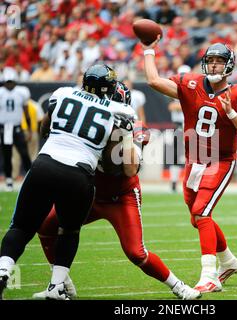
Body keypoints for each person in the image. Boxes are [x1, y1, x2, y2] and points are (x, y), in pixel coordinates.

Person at [32, 81, 201, 300]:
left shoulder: (137, 130)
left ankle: (179, 286)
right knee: (46, 226)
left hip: (121, 197)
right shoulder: (88, 125)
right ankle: (61, 284)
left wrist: (126, 135)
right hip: (89, 194)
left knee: (136, 253)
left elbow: (130, 170)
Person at [0, 64, 135, 300]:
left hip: (45, 165)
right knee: (69, 231)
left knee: (21, 227)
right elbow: (113, 163)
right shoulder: (121, 111)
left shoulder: (62, 93)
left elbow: (44, 128)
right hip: (79, 175)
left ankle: (3, 272)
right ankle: (56, 287)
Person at [142, 39, 237, 293]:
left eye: (219, 61)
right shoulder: (190, 83)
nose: (214, 65)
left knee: (202, 212)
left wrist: (231, 113)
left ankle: (210, 275)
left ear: (229, 65)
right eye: (211, 60)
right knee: (197, 217)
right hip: (193, 158)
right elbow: (153, 81)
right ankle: (229, 261)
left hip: (220, 160)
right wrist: (148, 48)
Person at [0, 71, 32, 191]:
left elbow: (26, 112)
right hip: (5, 128)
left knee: (24, 153)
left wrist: (28, 129)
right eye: (7, 82)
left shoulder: (21, 92)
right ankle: (9, 179)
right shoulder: (1, 93)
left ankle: (30, 177)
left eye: (11, 82)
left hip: (17, 128)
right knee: (7, 155)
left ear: (15, 82)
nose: (9, 85)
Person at [167, 65, 190, 193]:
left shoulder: (193, 89)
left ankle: (190, 182)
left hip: (190, 124)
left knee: (194, 155)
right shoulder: (173, 88)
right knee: (175, 155)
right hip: (178, 125)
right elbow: (171, 106)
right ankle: (174, 182)